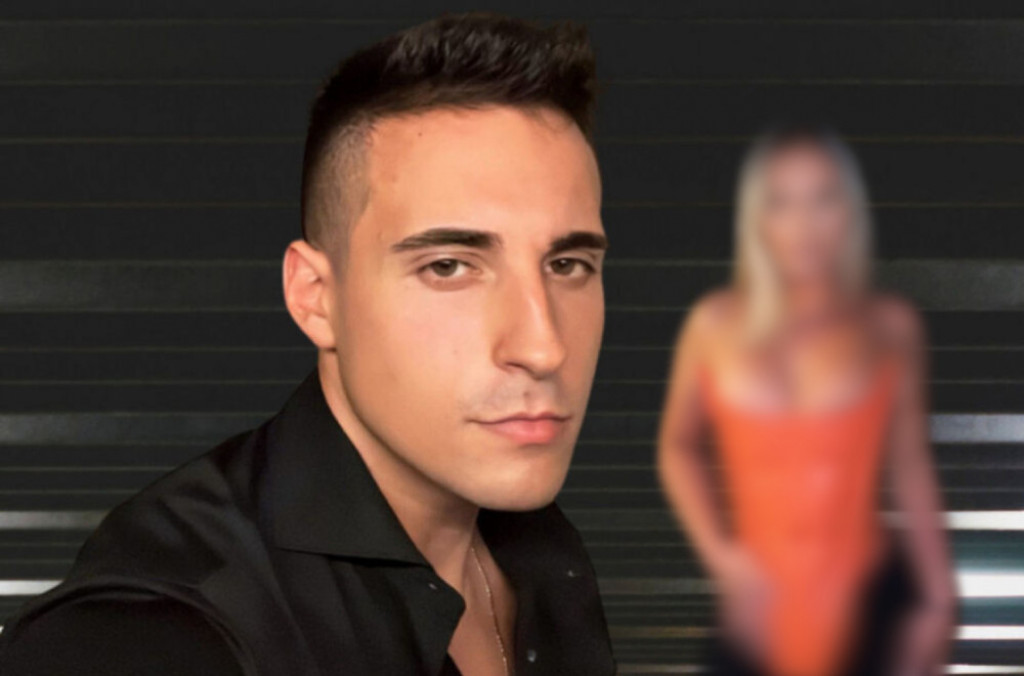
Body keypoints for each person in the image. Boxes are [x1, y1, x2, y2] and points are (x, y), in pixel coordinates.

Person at [0, 13, 616, 676]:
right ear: (315, 297)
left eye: (568, 265)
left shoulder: (540, 550)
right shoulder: (152, 635)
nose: (544, 347)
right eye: (448, 266)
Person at [656, 126, 956, 676]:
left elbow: (909, 462)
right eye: (781, 202)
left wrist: (938, 598)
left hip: (868, 604)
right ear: (757, 219)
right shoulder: (713, 325)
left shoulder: (888, 326)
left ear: (850, 212)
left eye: (823, 199)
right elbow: (678, 446)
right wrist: (723, 558)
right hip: (758, 614)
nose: (804, 224)